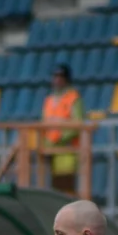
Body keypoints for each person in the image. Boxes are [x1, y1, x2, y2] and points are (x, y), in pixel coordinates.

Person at [42, 64, 85, 195]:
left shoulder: (73, 98)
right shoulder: (49, 100)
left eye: (60, 77)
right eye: (55, 76)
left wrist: (60, 138)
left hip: (67, 149)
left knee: (66, 188)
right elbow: (44, 122)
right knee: (53, 188)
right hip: (50, 149)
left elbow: (77, 124)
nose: (57, 80)